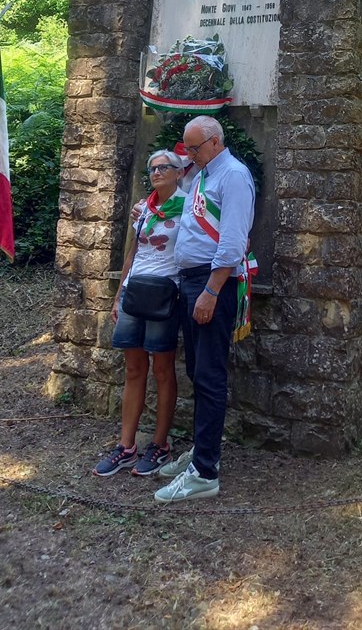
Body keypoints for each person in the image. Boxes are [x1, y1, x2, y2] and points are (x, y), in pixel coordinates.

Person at [153, 115, 255, 503]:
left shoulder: (233, 175)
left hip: (213, 282)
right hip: (193, 281)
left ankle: (205, 473)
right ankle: (202, 450)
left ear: (214, 142)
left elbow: (232, 240)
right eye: (187, 147)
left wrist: (211, 291)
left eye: (194, 147)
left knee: (210, 375)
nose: (189, 154)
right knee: (198, 370)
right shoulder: (203, 174)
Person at [93, 150, 186, 478]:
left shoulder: (189, 206)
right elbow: (133, 252)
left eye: (164, 167)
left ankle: (160, 445)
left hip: (165, 294)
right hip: (134, 293)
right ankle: (126, 446)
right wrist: (119, 294)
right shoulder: (144, 208)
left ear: (179, 172)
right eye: (152, 168)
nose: (157, 172)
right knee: (133, 368)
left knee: (162, 369)